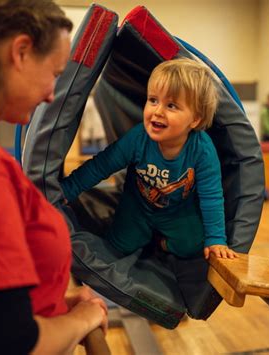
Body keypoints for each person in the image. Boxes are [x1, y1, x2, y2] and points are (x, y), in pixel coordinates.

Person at [0, 1, 108, 354]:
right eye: (54, 74)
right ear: (21, 52)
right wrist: (82, 319)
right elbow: (8, 344)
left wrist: (56, 308)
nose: (52, 94)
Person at [61, 58, 237, 260]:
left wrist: (216, 239)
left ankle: (160, 243)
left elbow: (212, 196)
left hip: (177, 212)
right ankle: (142, 238)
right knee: (118, 244)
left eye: (171, 105)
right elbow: (102, 165)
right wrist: (69, 189)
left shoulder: (202, 151)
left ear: (195, 119)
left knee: (193, 244)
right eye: (153, 100)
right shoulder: (138, 138)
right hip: (137, 206)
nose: (158, 111)